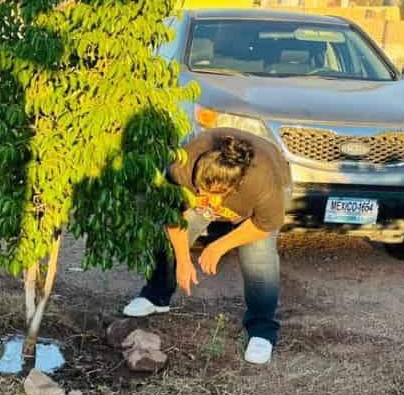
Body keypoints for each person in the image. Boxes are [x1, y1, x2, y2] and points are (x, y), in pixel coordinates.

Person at [122, 129, 291, 364]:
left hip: (254, 209)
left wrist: (217, 246)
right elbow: (174, 218)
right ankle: (156, 296)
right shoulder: (182, 166)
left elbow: (265, 224)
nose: (203, 196)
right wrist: (183, 261)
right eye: (199, 188)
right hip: (207, 190)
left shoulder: (262, 180)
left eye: (209, 193)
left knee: (258, 258)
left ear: (235, 185)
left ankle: (262, 330)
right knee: (169, 241)